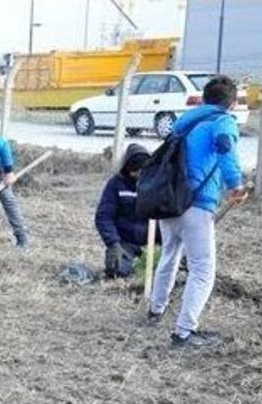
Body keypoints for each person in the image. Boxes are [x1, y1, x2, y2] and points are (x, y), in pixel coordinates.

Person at [148, 75, 249, 348]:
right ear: (232, 103)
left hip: (169, 201)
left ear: (204, 97)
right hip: (197, 203)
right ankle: (184, 332)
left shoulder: (184, 123)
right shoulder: (222, 121)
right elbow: (226, 147)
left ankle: (155, 310)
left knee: (169, 256)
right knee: (203, 269)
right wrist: (235, 184)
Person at [94, 143, 160, 278]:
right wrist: (113, 243)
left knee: (164, 271)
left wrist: (162, 243)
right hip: (125, 243)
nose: (138, 174)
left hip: (154, 244)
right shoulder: (116, 184)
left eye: (142, 170)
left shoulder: (158, 184)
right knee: (117, 270)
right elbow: (104, 216)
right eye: (135, 171)